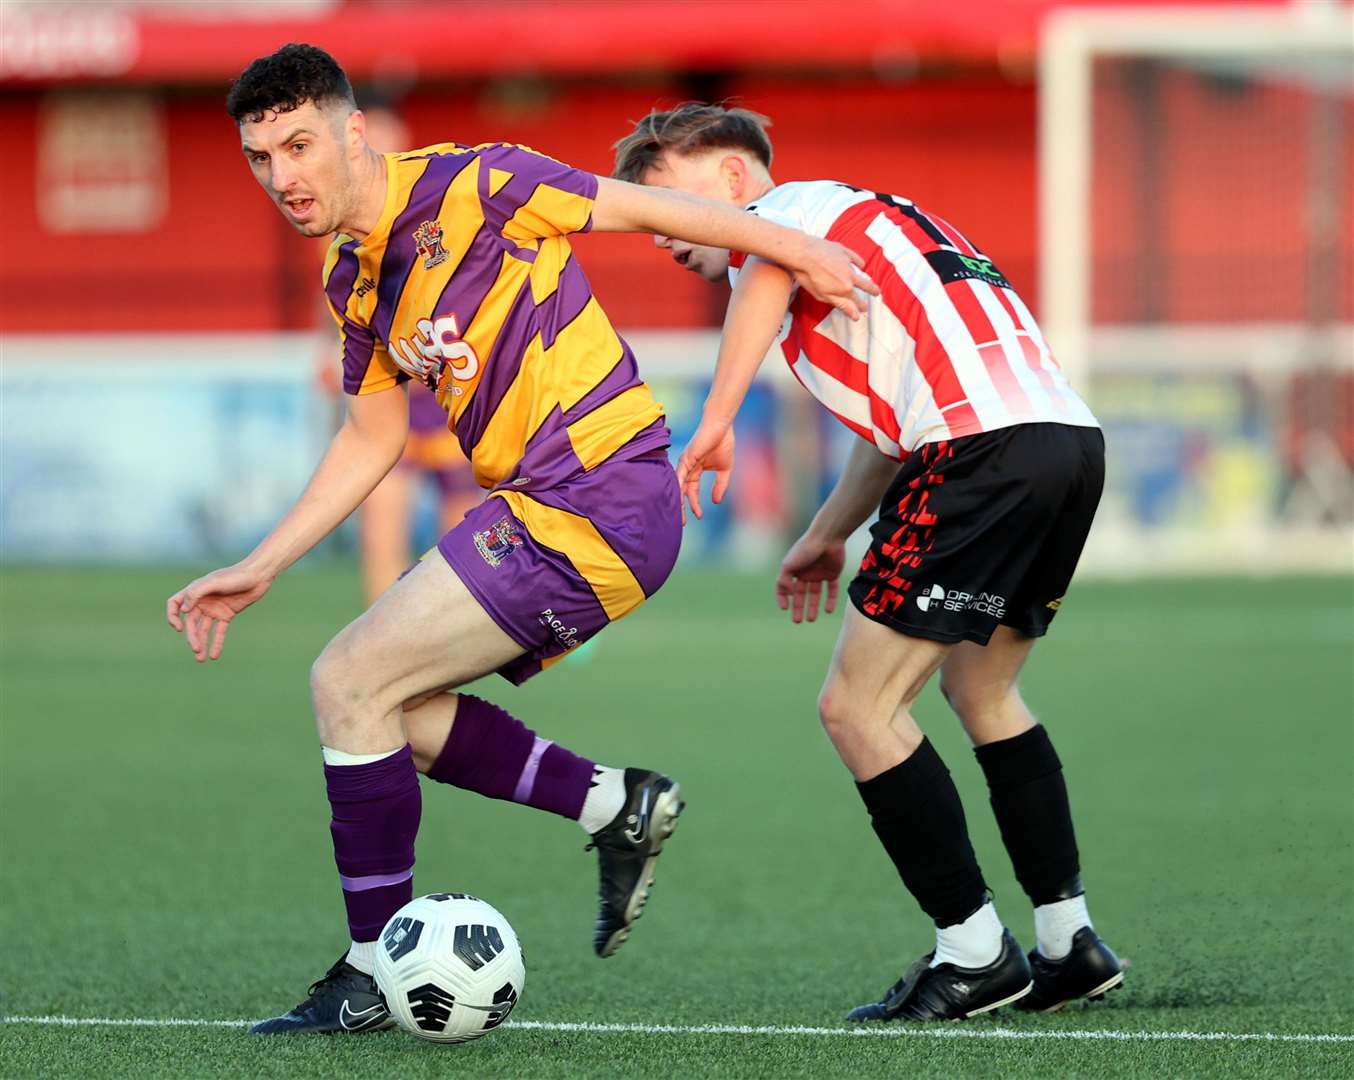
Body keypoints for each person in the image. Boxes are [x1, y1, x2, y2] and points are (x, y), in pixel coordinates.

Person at [164, 47, 874, 1036]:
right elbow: (370, 439)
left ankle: (373, 971)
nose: (283, 176)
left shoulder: (477, 181)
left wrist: (789, 249)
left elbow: (647, 212)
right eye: (258, 157)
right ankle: (612, 806)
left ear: (352, 133)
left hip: (602, 493)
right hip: (547, 510)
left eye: (298, 144)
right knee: (386, 713)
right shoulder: (355, 287)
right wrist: (261, 564)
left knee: (345, 682)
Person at [614, 104, 1124, 1022]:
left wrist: (717, 416)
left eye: (665, 205)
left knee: (857, 707)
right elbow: (894, 432)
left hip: (981, 454)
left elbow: (765, 269)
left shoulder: (792, 217)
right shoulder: (861, 221)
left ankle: (973, 952)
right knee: (983, 695)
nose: (661, 232)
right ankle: (1067, 940)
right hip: (1062, 445)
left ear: (733, 183)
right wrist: (826, 531)